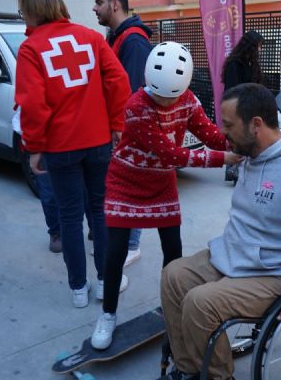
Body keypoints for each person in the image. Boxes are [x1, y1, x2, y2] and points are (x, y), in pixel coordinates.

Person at [158, 83, 281, 380]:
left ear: (256, 125)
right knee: (174, 275)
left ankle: (216, 376)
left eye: (228, 125)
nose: (222, 133)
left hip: (279, 272)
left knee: (201, 303)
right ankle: (190, 367)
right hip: (241, 256)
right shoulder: (251, 154)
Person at [90, 41, 242, 350]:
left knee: (173, 252)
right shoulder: (136, 107)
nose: (163, 102)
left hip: (161, 183)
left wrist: (236, 144)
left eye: (170, 97)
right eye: (158, 94)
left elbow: (207, 132)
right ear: (148, 81)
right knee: (115, 253)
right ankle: (107, 315)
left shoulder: (187, 100)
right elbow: (171, 153)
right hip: (126, 182)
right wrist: (221, 160)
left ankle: (171, 309)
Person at [15, 0, 131, 308]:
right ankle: (106, 280)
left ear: (31, 11)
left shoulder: (30, 49)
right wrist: (117, 125)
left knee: (69, 217)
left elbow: (33, 104)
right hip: (98, 143)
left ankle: (78, 290)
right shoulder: (92, 38)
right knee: (100, 211)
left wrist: (34, 146)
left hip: (60, 147)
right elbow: (118, 81)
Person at [92, 0, 154, 267]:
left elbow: (132, 92)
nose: (95, 8)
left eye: (99, 3)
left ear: (115, 4)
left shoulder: (134, 40)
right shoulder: (116, 36)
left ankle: (132, 245)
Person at [221, 29, 264, 181]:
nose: (260, 49)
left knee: (249, 138)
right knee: (238, 138)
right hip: (238, 108)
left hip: (250, 106)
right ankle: (234, 171)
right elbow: (232, 90)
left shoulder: (251, 63)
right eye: (259, 46)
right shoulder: (235, 64)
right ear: (251, 46)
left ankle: (245, 169)